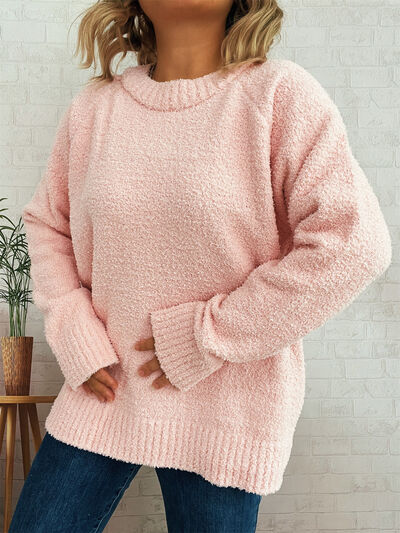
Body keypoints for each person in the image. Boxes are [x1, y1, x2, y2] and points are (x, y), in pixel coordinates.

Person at [9, 0, 392, 532]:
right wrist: (74, 331)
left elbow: (353, 242)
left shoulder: (278, 94)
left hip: (226, 405)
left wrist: (208, 335)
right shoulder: (95, 109)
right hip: (105, 388)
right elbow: (47, 224)